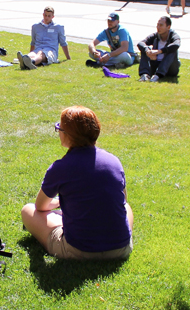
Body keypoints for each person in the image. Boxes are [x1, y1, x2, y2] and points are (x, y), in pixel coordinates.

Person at [21, 106, 134, 260]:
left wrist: (60, 203)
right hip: (121, 249)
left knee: (28, 210)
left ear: (68, 136)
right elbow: (123, 200)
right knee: (126, 207)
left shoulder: (60, 167)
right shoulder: (113, 161)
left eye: (59, 128)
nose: (58, 131)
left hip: (78, 251)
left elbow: (40, 206)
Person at [137, 16, 180, 82]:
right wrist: (148, 51)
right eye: (157, 25)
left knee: (173, 50)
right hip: (156, 64)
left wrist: (159, 51)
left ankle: (158, 75)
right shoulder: (155, 36)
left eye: (161, 25)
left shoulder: (173, 35)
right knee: (145, 49)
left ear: (168, 27)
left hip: (170, 68)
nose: (158, 27)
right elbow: (141, 43)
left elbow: (176, 44)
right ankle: (144, 75)